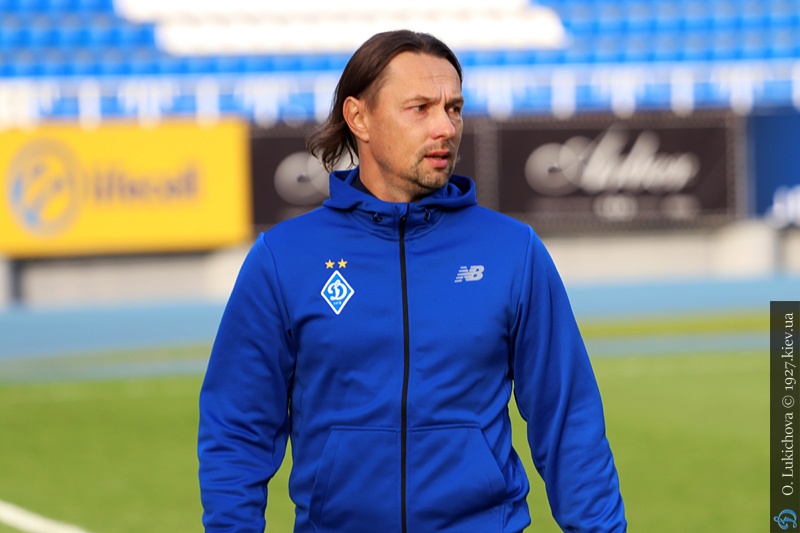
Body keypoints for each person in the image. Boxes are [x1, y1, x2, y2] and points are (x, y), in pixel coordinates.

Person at [198, 30, 626, 533]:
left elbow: (569, 420)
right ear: (359, 117)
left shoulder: (513, 251)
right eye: (420, 108)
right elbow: (237, 427)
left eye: (453, 108)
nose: (445, 127)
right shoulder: (284, 257)